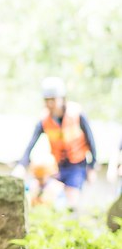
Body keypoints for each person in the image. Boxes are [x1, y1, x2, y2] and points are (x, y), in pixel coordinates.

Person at [15, 77, 97, 209]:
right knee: (49, 196)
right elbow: (31, 144)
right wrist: (21, 165)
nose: (50, 104)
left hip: (77, 165)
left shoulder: (77, 114)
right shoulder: (44, 120)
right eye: (47, 100)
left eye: (53, 100)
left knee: (72, 200)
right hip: (58, 165)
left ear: (62, 99)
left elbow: (91, 141)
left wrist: (92, 167)